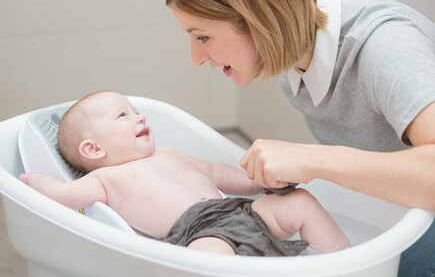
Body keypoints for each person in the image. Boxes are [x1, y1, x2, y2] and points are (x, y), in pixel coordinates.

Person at [166, 0, 435, 274]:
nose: (196, 58)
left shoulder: (383, 46)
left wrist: (313, 159)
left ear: (259, 19)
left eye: (202, 36)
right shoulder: (289, 50)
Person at [19, 90, 350, 256]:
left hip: (242, 213)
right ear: (93, 150)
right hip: (200, 234)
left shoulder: (166, 154)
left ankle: (346, 262)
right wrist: (27, 182)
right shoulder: (105, 180)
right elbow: (65, 197)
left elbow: (215, 172)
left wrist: (257, 182)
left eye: (136, 112)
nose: (140, 118)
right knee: (209, 262)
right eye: (124, 115)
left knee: (300, 202)